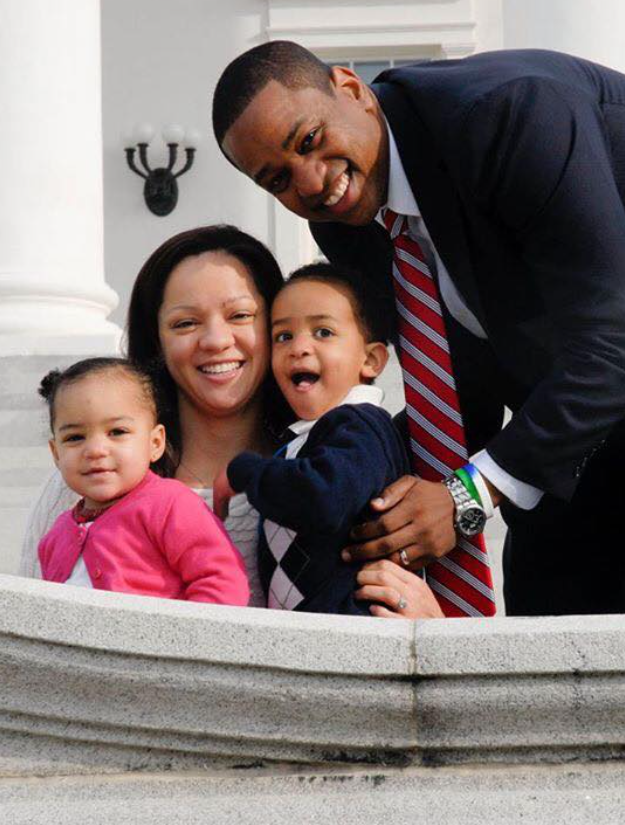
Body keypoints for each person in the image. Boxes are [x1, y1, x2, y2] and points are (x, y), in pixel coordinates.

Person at [213, 42, 625, 616]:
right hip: (571, 440)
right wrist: (317, 474)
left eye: (309, 140)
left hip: (599, 382)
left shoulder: (512, 115)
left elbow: (612, 344)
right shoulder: (346, 217)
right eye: (278, 179)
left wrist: (466, 496)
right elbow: (454, 391)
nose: (310, 183)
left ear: (351, 89)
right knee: (541, 627)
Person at [20, 225, 442, 619]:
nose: (216, 341)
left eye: (240, 316)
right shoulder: (88, 483)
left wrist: (424, 621)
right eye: (185, 323)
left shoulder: (330, 463)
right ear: (158, 343)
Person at [214, 263, 434, 617]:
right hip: (311, 635)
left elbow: (323, 497)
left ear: (371, 360)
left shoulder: (360, 424)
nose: (299, 347)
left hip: (353, 633)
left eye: (323, 332)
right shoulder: (313, 435)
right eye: (283, 336)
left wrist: (245, 471)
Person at [37, 357, 249, 604]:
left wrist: (185, 630)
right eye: (75, 438)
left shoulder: (171, 505)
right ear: (56, 453)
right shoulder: (55, 537)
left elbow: (222, 581)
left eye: (117, 432)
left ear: (155, 443)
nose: (95, 450)